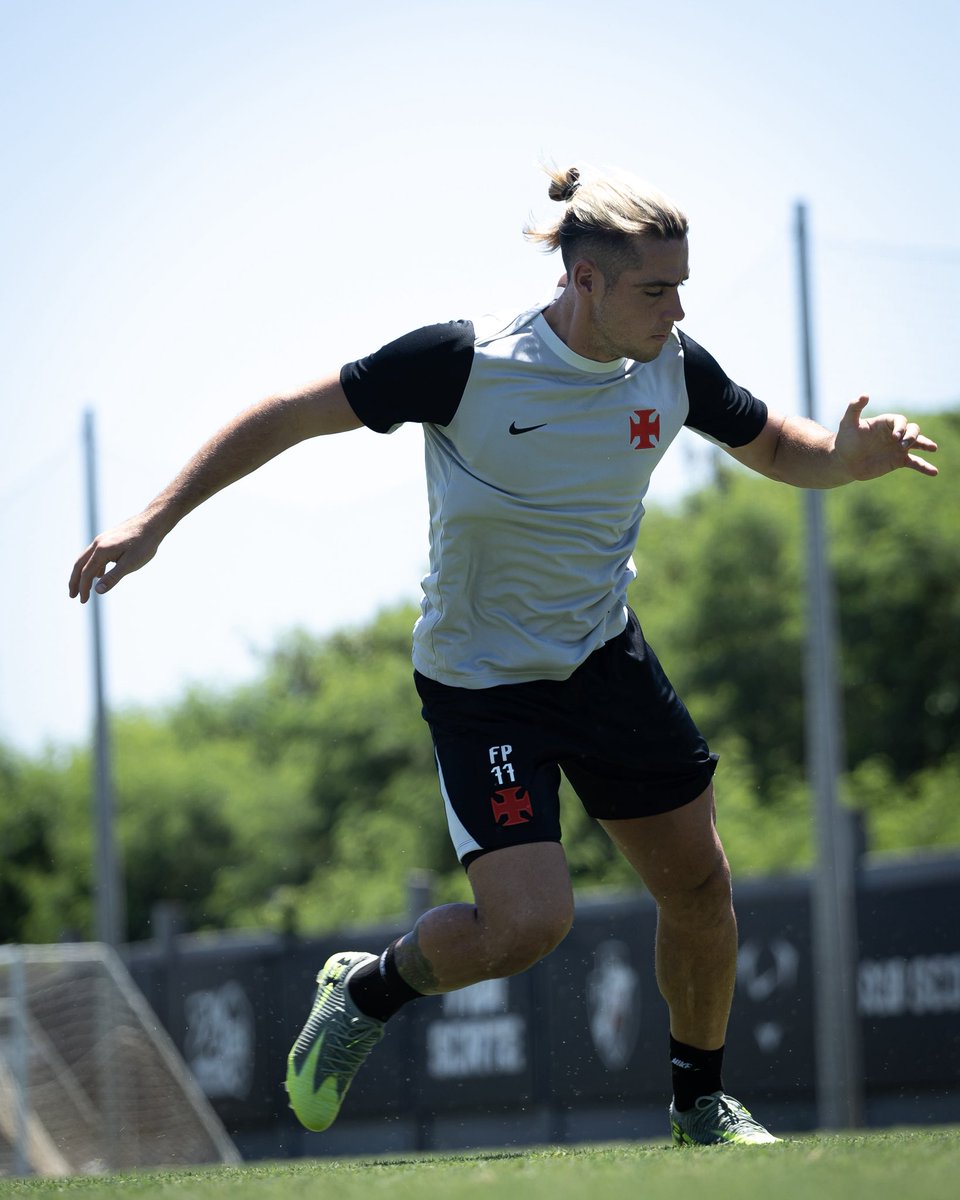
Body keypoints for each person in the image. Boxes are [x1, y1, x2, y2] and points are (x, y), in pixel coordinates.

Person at [69, 163, 938, 1147]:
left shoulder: (670, 366)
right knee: (528, 926)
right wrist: (152, 522)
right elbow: (286, 413)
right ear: (585, 282)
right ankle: (366, 988)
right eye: (657, 289)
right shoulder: (464, 361)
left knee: (699, 887)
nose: (678, 306)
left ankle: (699, 1106)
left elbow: (776, 443)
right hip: (483, 687)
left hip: (604, 660)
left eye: (682, 285)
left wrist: (843, 457)